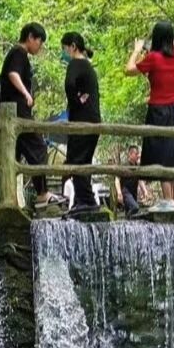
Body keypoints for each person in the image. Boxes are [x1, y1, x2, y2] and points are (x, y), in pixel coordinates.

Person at [126, 20, 174, 208]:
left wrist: (137, 49)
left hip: (157, 110)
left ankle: (168, 201)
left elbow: (128, 70)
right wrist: (169, 40)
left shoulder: (153, 58)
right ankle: (169, 200)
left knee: (161, 155)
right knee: (170, 154)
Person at [0, 22, 49, 210]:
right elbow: (13, 74)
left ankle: (8, 199)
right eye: (39, 42)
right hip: (18, 114)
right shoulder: (19, 53)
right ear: (30, 37)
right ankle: (42, 193)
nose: (40, 46)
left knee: (12, 157)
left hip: (14, 114)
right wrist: (26, 94)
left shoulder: (17, 54)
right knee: (39, 148)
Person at [60, 32, 100, 214]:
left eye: (65, 48)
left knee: (76, 160)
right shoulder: (88, 66)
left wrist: (76, 103)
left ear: (73, 46)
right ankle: (85, 200)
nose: (64, 53)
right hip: (93, 120)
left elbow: (69, 84)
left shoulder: (76, 64)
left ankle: (86, 200)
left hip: (81, 120)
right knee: (83, 160)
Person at [115, 144, 147, 215]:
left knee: (130, 212)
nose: (138, 156)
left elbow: (140, 179)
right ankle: (128, 219)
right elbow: (117, 179)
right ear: (130, 154)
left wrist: (144, 190)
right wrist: (119, 193)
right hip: (125, 191)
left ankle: (128, 221)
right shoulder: (124, 165)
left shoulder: (137, 166)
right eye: (136, 154)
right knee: (135, 207)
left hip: (133, 192)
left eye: (138, 153)